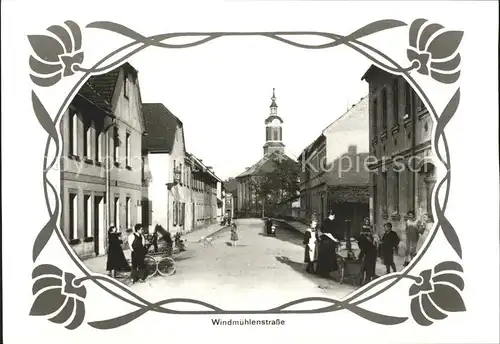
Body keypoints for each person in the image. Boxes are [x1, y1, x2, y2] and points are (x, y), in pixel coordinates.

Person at [316, 211, 341, 278]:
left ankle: (326, 273)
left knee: (329, 258)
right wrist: (334, 239)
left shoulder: (331, 222)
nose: (334, 217)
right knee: (326, 257)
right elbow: (327, 233)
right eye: (334, 215)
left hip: (329, 243)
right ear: (331, 215)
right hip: (326, 242)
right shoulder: (326, 222)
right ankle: (324, 273)